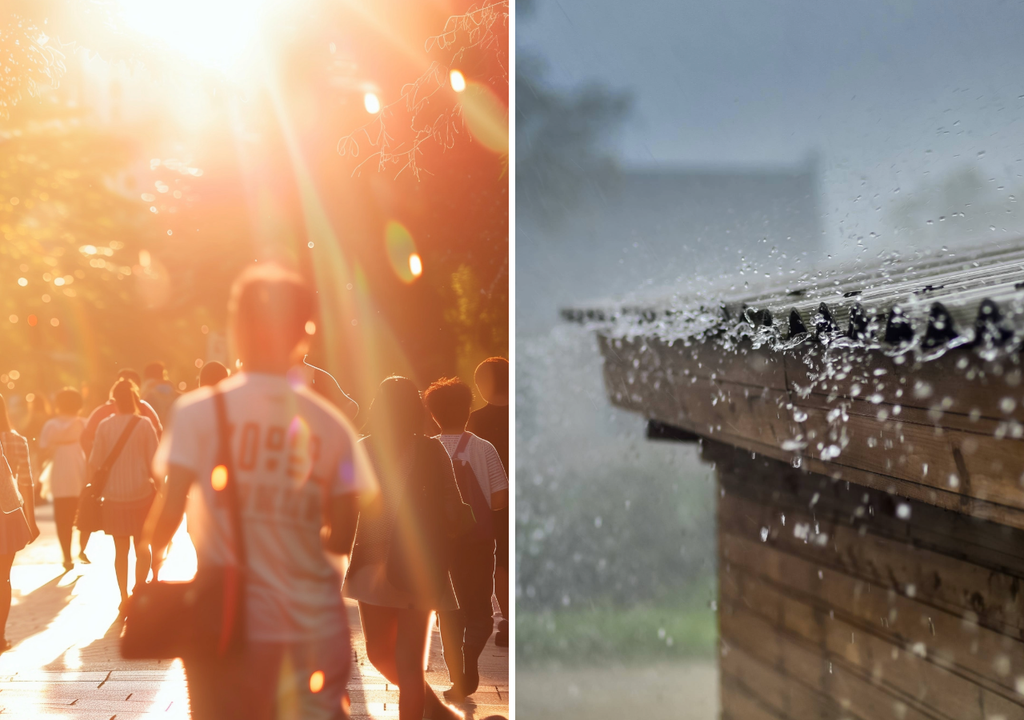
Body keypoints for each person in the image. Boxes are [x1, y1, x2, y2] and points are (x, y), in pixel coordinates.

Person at [146, 264, 377, 720]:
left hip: (223, 620)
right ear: (304, 335)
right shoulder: (331, 426)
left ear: (235, 329)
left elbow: (167, 515)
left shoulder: (199, 414)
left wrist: (154, 557)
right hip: (308, 619)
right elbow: (345, 527)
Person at [343, 376, 468, 720]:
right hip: (408, 562)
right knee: (397, 658)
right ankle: (436, 710)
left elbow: (340, 501)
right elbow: (453, 508)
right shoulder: (429, 450)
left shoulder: (363, 449)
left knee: (386, 654)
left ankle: (432, 711)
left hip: (383, 561)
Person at [423, 377, 508, 701]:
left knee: (448, 611)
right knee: (480, 609)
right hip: (479, 542)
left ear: (432, 414)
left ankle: (459, 673)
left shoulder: (427, 448)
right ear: (469, 408)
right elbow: (500, 499)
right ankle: (471, 653)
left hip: (441, 544)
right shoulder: (483, 447)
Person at [88, 379, 160, 612]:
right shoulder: (145, 424)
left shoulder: (105, 426)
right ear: (134, 398)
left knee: (121, 551)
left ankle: (123, 596)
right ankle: (140, 590)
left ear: (114, 401)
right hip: (142, 494)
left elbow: (94, 463)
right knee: (143, 547)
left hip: (114, 497)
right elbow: (155, 463)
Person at [466, 357, 509, 647]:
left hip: (495, 499)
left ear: (482, 385)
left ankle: (507, 620)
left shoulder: (477, 420)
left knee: (501, 560)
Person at [0, 394, 39, 651]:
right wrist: (32, 520)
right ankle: (0, 634)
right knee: (3, 578)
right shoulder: (17, 441)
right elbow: (26, 481)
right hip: (8, 513)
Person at [39, 388, 90, 570]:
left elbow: (43, 447)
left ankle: (66, 556)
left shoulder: (51, 425)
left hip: (59, 470)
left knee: (62, 518)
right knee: (83, 513)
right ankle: (82, 549)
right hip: (80, 469)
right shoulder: (84, 423)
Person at [81, 369, 162, 457]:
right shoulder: (145, 412)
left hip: (112, 467)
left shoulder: (102, 414)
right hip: (138, 466)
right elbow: (158, 436)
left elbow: (86, 439)